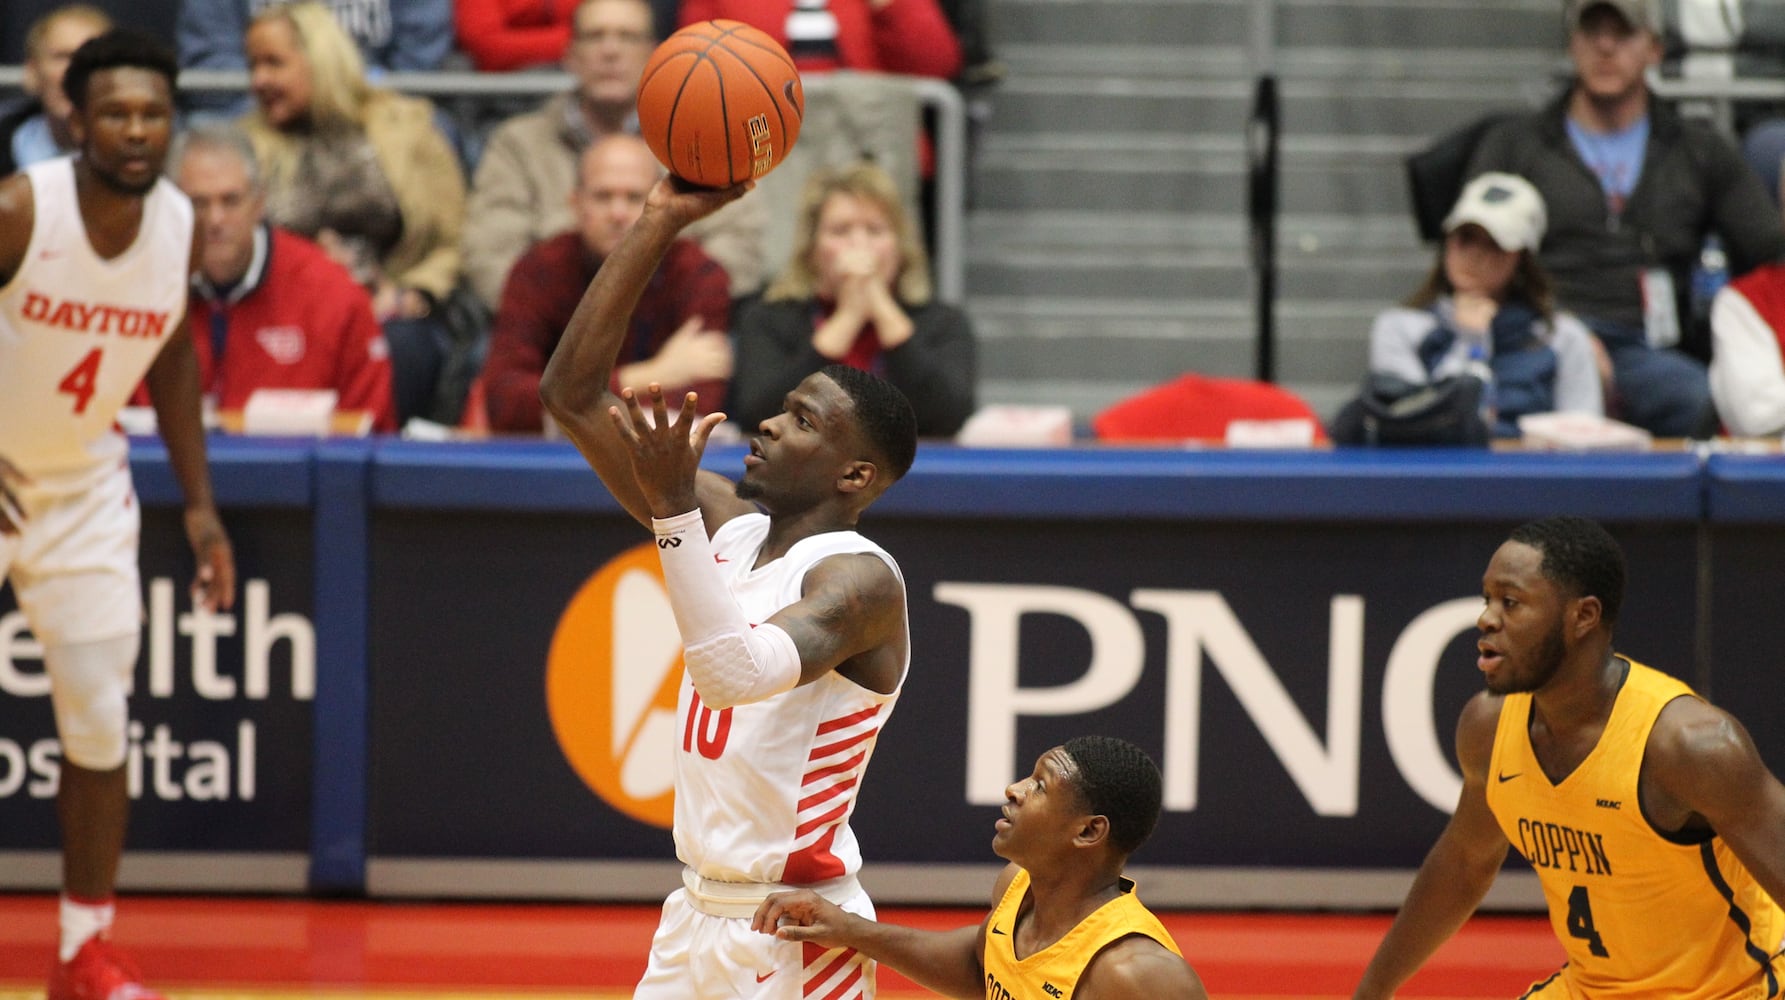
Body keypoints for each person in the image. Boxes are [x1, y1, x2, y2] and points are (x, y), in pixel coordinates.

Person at [537, 174, 919, 998]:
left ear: (855, 474)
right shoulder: (733, 524)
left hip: (794, 930)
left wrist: (671, 508)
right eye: (782, 406)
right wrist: (659, 218)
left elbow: (732, 671)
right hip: (693, 916)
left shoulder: (860, 582)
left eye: (805, 420)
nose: (772, 423)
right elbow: (568, 394)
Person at [0, 28, 236, 1000]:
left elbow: (174, 357)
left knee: (100, 723)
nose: (137, 130)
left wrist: (203, 510)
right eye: (116, 113)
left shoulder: (176, 220)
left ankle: (81, 951)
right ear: (76, 120)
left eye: (153, 113)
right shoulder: (22, 209)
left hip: (86, 483)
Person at [1353, 515, 1785, 999]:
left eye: (1511, 602)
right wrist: (1373, 991)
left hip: (1733, 989)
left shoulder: (1689, 747)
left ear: (1583, 616)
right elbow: (1465, 862)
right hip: (1591, 990)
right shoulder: (1488, 728)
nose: (1486, 618)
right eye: (1487, 599)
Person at [1465, 0, 1785, 439]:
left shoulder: (1698, 150)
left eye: (1623, 33)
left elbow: (1769, 247)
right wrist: (1558, 334)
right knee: (1480, 405)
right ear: (1572, 43)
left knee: (1702, 405)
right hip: (1537, 336)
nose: (1605, 47)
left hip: (1648, 349)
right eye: (1591, 31)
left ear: (1654, 49)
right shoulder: (1516, 144)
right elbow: (1465, 250)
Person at [754, 736, 1209, 1000]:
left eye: (1040, 786)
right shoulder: (1016, 888)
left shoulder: (1136, 974)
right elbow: (982, 971)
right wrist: (850, 929)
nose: (1014, 789)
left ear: (1089, 832)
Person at [239, 1, 466, 425]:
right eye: (252, 65)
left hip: (387, 306)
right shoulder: (245, 146)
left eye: (273, 63)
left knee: (405, 344)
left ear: (320, 59)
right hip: (284, 312)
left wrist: (411, 293)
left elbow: (452, 239)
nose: (258, 80)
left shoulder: (410, 127)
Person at [460, 0, 768, 310]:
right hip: (551, 328)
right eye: (595, 36)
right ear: (570, 56)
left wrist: (655, 312)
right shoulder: (519, 144)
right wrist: (585, 324)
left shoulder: (702, 138)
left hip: (674, 324)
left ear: (654, 54)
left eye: (627, 36)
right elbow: (491, 254)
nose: (610, 51)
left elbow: (740, 246)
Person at [481, 134, 731, 432]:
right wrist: (648, 375)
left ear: (667, 205)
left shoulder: (698, 274)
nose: (618, 213)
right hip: (555, 463)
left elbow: (694, 411)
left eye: (636, 197)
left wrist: (567, 404)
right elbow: (505, 401)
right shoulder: (537, 271)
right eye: (603, 196)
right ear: (576, 204)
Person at [158, 123, 396, 431]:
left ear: (259, 203)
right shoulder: (142, 288)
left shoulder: (333, 295)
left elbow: (370, 429)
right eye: (198, 204)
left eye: (230, 201)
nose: (215, 220)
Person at [731, 160, 977, 437]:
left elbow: (950, 416)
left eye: (875, 230)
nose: (859, 245)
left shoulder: (943, 322)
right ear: (812, 249)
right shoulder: (767, 318)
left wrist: (879, 305)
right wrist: (848, 318)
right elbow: (757, 413)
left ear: (900, 246)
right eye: (841, 231)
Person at [1367, 172, 1605, 438]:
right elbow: (1413, 426)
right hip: (1438, 475)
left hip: (1530, 475)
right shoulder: (1398, 327)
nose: (1475, 255)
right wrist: (1470, 342)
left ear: (1521, 259)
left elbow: (1584, 439)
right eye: (1465, 238)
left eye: (1495, 244)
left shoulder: (1563, 336)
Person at [176, 0, 453, 114]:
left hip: (371, 108)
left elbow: (419, 60)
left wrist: (343, 102)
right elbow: (211, 60)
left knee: (435, 129)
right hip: (257, 110)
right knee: (204, 134)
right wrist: (285, 102)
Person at [0, 5, 113, 176]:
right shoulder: (5, 137)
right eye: (62, 57)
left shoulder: (152, 151)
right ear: (32, 72)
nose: (74, 71)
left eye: (89, 57)